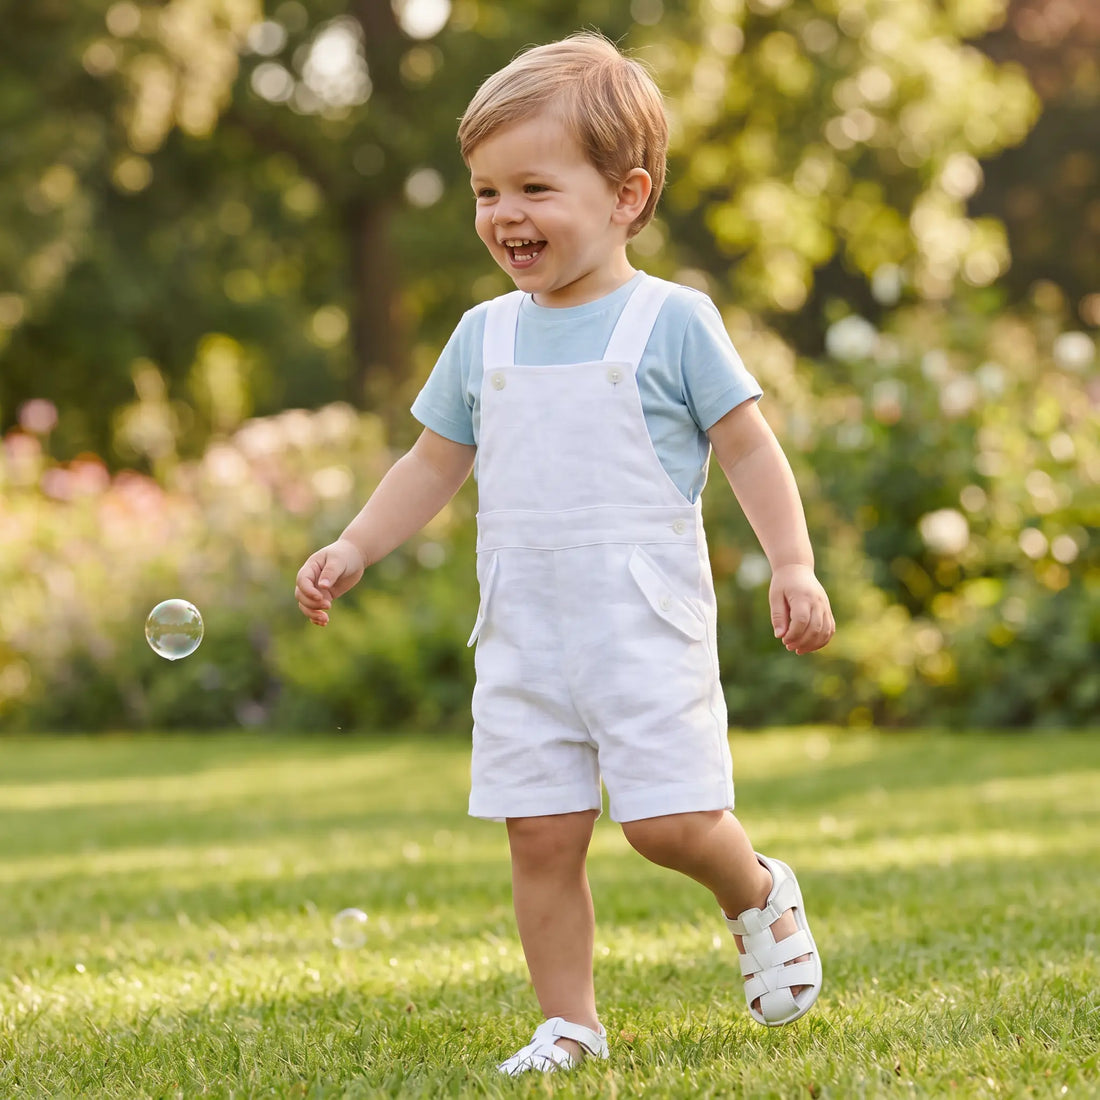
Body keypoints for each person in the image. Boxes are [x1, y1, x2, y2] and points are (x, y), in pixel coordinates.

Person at [295, 32, 835, 1076]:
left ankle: (754, 887)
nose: (504, 215)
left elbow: (746, 446)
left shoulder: (670, 320)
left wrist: (793, 561)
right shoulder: (482, 335)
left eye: (533, 187)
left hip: (639, 622)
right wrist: (356, 542)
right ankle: (569, 1022)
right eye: (484, 191)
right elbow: (430, 461)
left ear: (625, 196)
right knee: (538, 835)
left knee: (669, 823)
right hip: (523, 630)